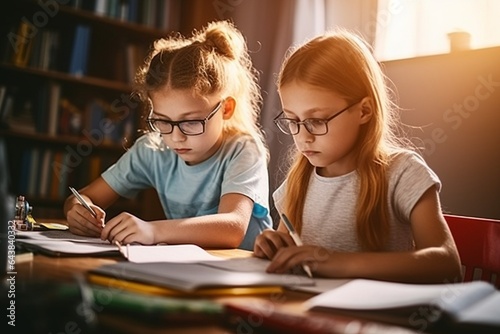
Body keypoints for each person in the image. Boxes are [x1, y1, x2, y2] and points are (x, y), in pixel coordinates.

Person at [254, 29, 463, 283]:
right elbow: (292, 257)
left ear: (364, 110)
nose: (302, 137)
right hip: (309, 311)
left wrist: (336, 262)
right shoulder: (298, 182)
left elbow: (446, 262)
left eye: (317, 121)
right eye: (293, 120)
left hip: (379, 318)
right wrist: (274, 248)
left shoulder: (402, 173)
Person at [64, 20, 272, 250]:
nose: (176, 137)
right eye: (162, 121)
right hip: (189, 272)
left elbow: (232, 228)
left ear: (225, 109)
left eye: (191, 122)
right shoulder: (152, 149)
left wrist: (153, 230)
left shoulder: (243, 151)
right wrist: (77, 211)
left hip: (243, 274)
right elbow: (83, 197)